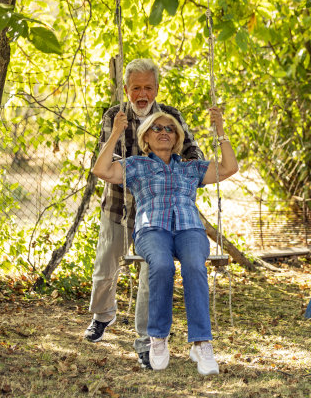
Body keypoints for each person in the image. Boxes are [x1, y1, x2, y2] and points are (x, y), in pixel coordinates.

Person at [92, 107, 237, 374]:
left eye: (169, 129)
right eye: (156, 128)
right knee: (161, 265)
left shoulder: (191, 169)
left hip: (189, 228)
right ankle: (157, 338)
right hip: (151, 229)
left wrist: (221, 133)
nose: (163, 132)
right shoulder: (136, 165)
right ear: (145, 137)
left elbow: (230, 167)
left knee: (194, 265)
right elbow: (100, 170)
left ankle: (201, 343)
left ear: (177, 138)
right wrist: (115, 133)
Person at [84, 59, 203, 372]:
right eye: (135, 87)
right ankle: (103, 314)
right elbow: (108, 163)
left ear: (156, 88)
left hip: (158, 214)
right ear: (126, 89)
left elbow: (193, 152)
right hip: (118, 207)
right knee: (105, 269)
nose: (142, 93)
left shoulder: (169, 117)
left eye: (148, 87)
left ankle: (145, 344)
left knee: (154, 273)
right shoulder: (115, 115)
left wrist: (187, 169)